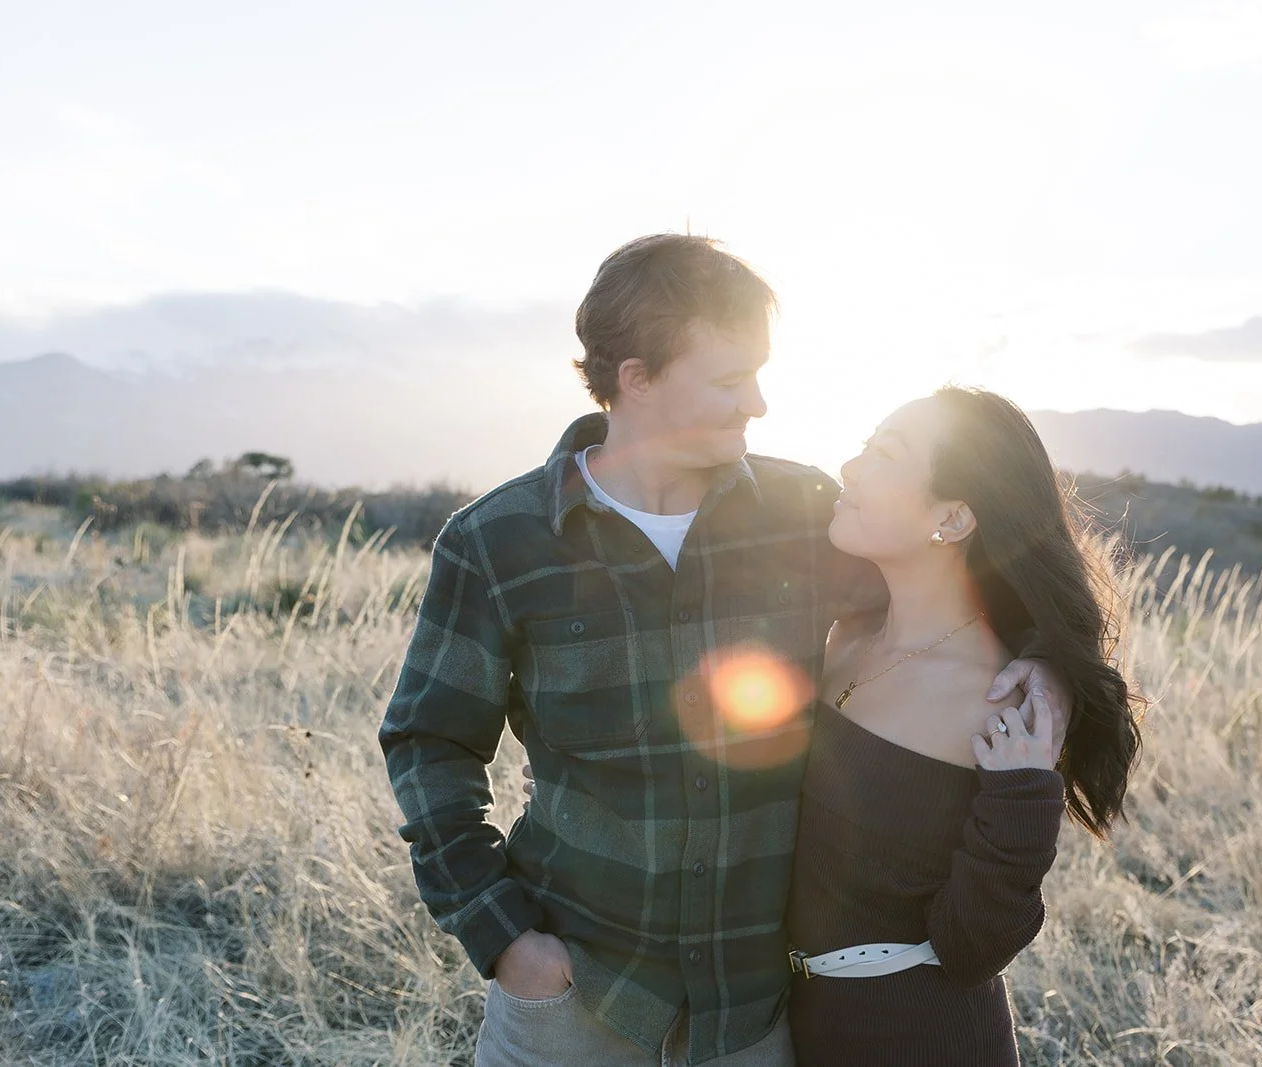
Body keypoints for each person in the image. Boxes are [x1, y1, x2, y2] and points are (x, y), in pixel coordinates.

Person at [378, 234, 1064, 1067]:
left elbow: (946, 577)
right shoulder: (498, 542)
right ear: (638, 379)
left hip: (752, 1016)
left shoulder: (805, 514)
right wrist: (506, 939)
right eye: (732, 379)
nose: (761, 403)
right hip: (575, 997)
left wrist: (1035, 659)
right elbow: (429, 745)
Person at [785, 387, 1144, 1067]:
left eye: (885, 455)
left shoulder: (999, 702)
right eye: (864, 443)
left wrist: (1024, 797)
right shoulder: (843, 637)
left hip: (921, 1041)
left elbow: (973, 946)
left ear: (951, 518)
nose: (851, 466)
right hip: (797, 1030)